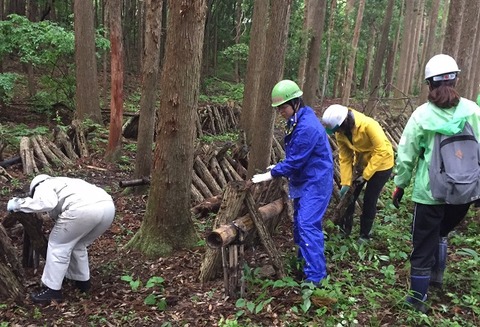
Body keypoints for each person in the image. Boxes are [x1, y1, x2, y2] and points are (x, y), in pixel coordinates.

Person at [392, 54, 480, 312]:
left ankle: (417, 299)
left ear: (429, 84)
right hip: (463, 193)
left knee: (423, 242)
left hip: (430, 193)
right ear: (456, 79)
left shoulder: (421, 116)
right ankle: (437, 278)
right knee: (442, 232)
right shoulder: (474, 112)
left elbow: (406, 156)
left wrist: (400, 184)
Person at [252, 79, 334, 284]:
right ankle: (303, 264)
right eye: (279, 109)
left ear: (296, 102)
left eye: (284, 107)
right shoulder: (296, 120)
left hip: (315, 181)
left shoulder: (307, 126)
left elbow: (296, 160)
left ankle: (315, 278)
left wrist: (272, 173)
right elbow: (296, 155)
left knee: (307, 224)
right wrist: (279, 166)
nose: (281, 112)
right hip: (305, 178)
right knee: (299, 224)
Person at [7, 174, 115, 304]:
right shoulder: (69, 182)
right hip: (108, 207)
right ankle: (82, 282)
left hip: (83, 209)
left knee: (58, 246)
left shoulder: (44, 184)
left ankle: (52, 290)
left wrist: (17, 204)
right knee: (78, 245)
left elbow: (46, 203)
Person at [322, 104, 394, 242]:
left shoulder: (369, 125)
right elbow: (345, 157)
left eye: (339, 129)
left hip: (382, 165)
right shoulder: (340, 133)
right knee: (350, 197)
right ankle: (345, 230)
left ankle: (364, 234)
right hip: (362, 164)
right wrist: (346, 182)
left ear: (345, 122)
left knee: (369, 199)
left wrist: (365, 176)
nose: (338, 132)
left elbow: (382, 151)